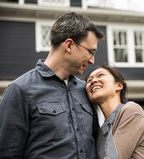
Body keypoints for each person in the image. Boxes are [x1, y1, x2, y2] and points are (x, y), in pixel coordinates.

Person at [0, 12, 104, 159]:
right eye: (90, 52)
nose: (92, 60)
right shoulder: (20, 90)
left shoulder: (85, 89)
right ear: (69, 45)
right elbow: (8, 153)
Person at [85, 66, 144, 159]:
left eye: (100, 75)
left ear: (119, 86)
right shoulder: (102, 130)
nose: (93, 81)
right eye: (89, 80)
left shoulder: (131, 110)